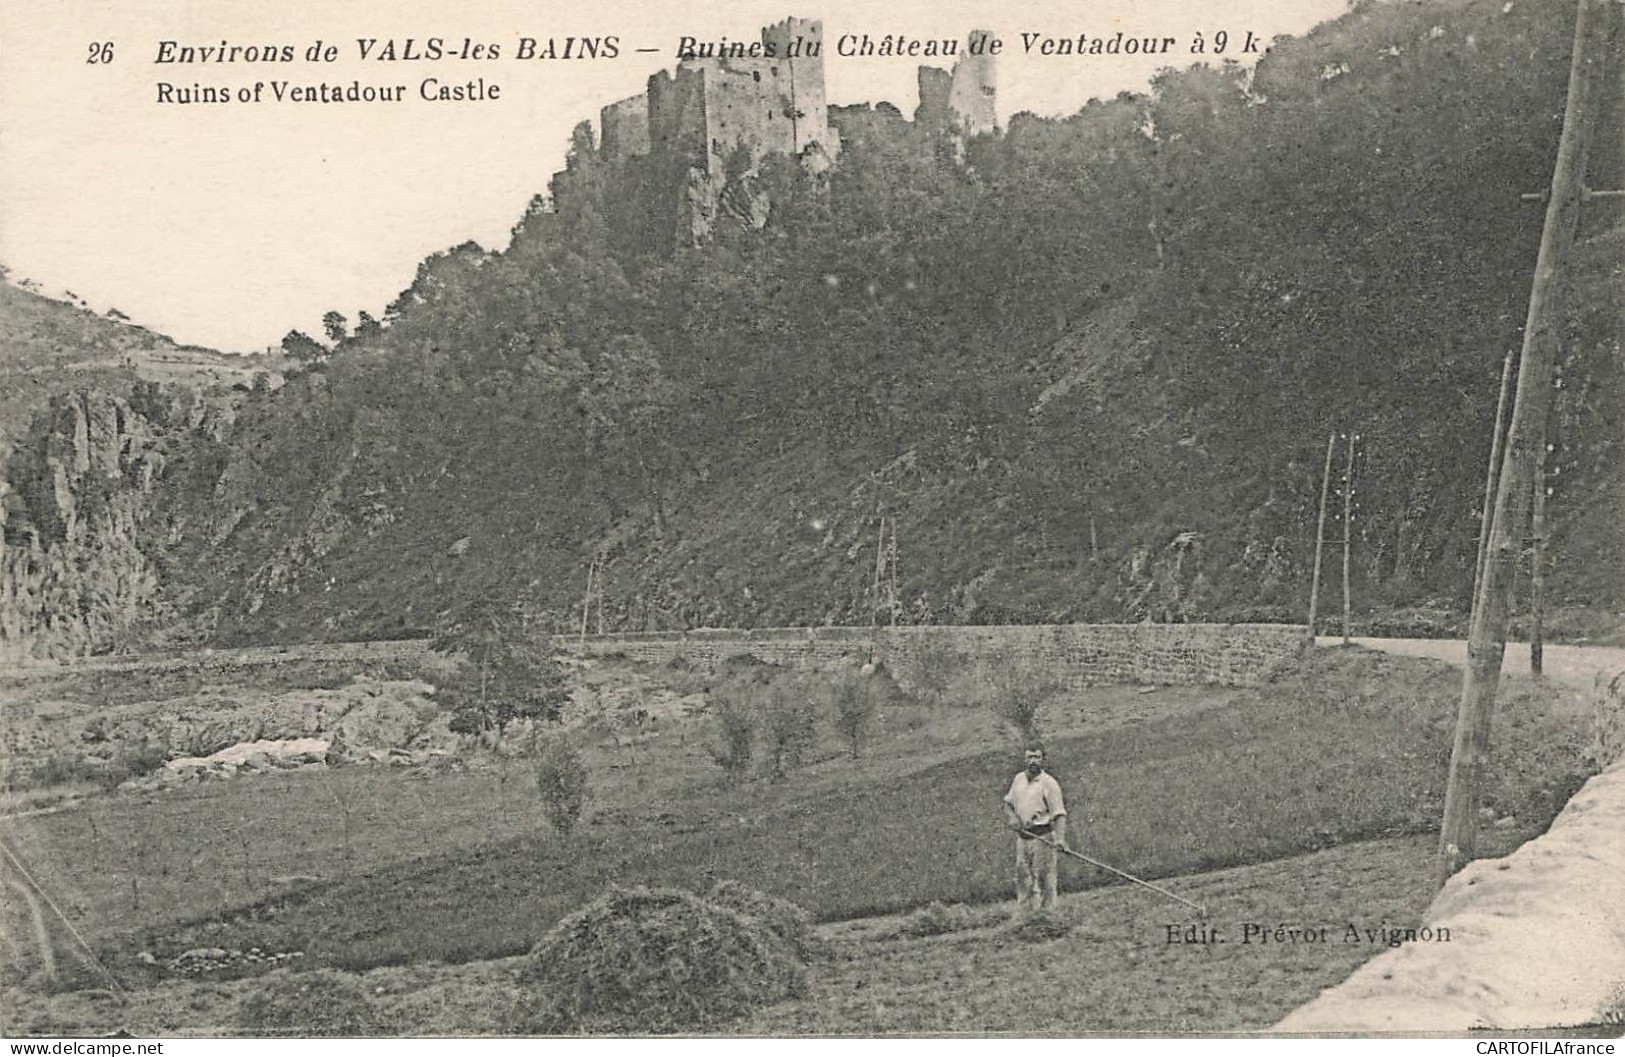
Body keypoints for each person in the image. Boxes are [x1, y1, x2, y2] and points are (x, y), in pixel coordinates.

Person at [1002, 743, 1068, 914]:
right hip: (1023, 839)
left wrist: (1060, 840)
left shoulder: (1049, 784)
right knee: (1023, 880)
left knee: (1046, 881)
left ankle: (1049, 917)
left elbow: (1059, 814)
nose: (1033, 761)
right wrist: (1013, 817)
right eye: (1030, 757)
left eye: (1037, 757)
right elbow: (1008, 804)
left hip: (1043, 838)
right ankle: (1026, 916)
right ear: (1024, 759)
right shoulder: (1018, 780)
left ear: (1043, 760)